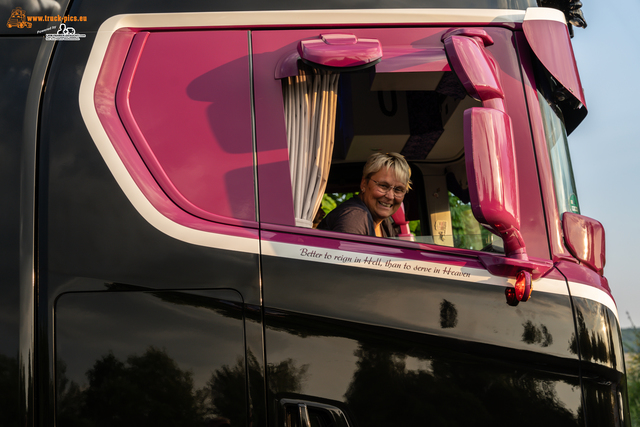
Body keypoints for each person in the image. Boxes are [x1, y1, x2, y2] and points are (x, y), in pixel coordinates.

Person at [318, 152, 411, 238]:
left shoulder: (384, 223)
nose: (390, 196)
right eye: (383, 186)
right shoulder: (354, 217)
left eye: (398, 189)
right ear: (364, 184)